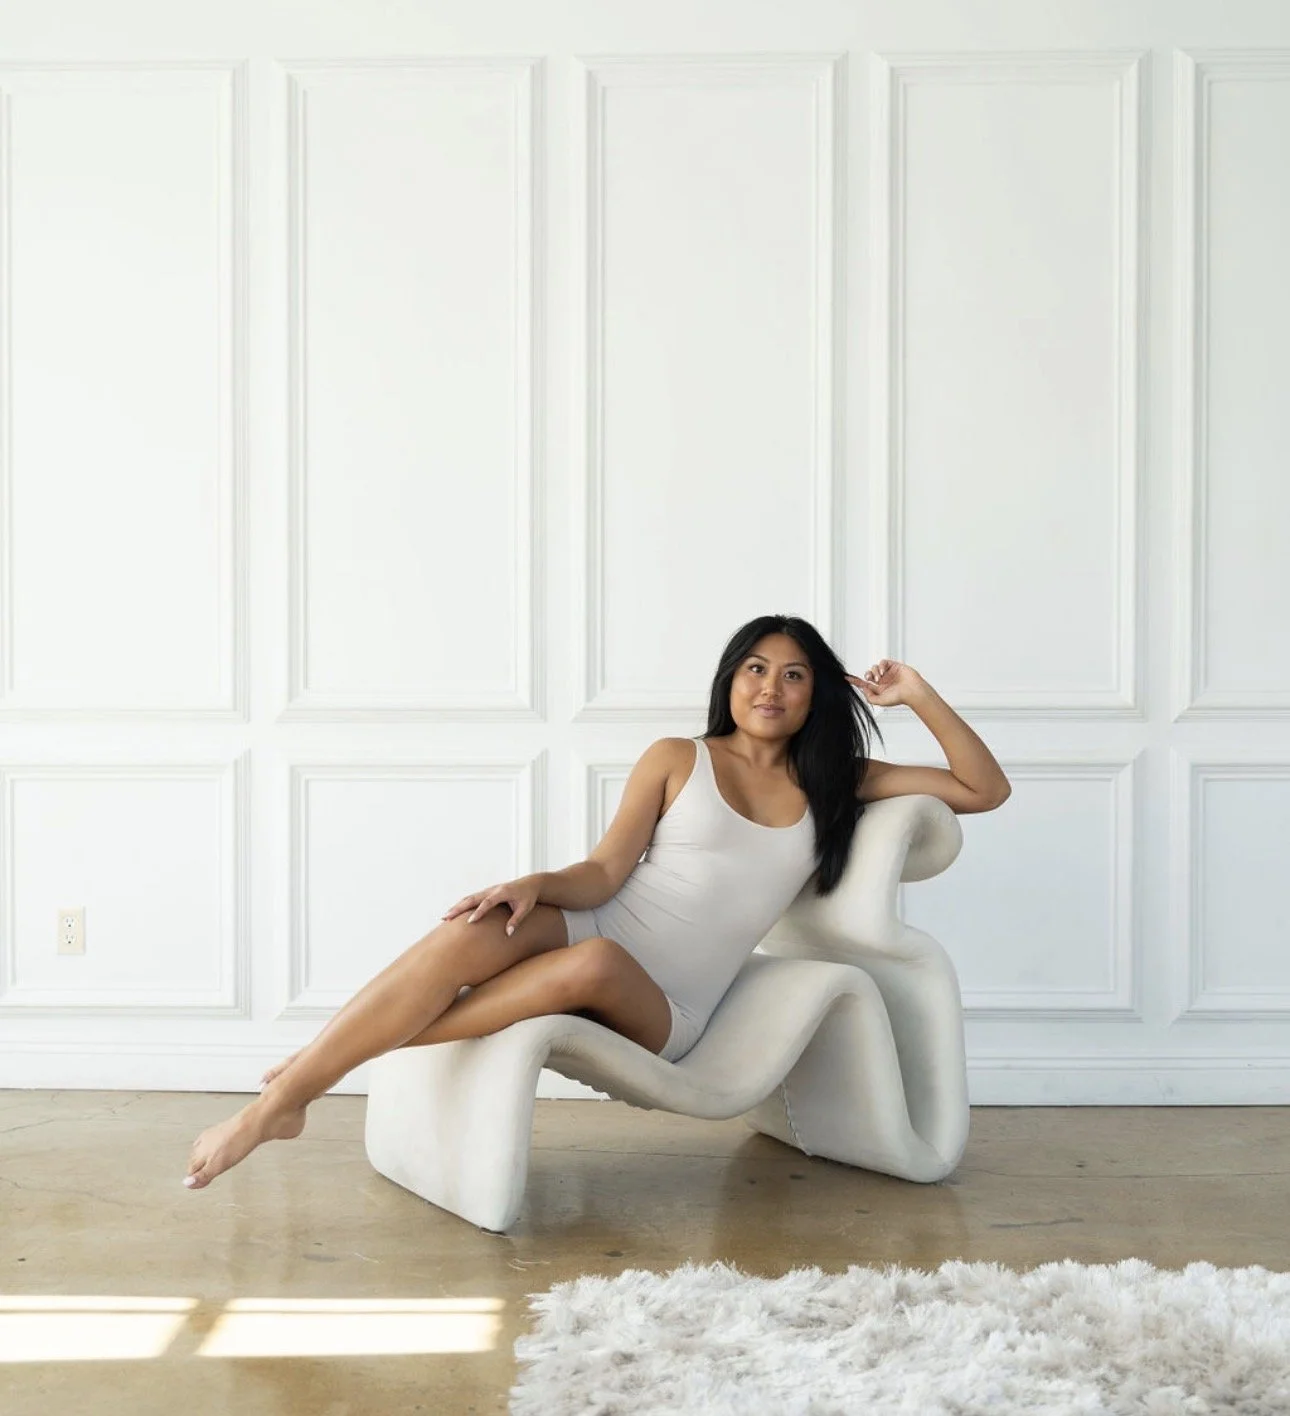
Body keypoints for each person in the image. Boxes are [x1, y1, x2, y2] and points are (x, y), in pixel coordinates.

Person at [184, 614, 1011, 1189]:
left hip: (668, 1006)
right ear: (730, 680)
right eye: (756, 668)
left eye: (793, 675)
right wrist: (535, 886)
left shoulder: (837, 782)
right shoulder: (676, 756)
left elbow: (984, 788)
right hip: (601, 925)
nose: (771, 687)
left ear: (816, 696)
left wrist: (918, 693)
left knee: (596, 960)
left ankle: (314, 1072)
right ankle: (283, 1103)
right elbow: (607, 873)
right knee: (474, 931)